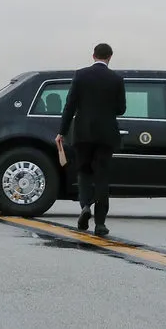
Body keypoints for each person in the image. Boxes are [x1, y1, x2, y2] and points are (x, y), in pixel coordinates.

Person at [55, 43, 126, 236]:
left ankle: (85, 206)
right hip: (106, 134)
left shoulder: (80, 75)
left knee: (84, 172)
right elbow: (121, 109)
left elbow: (70, 105)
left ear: (93, 55)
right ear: (110, 57)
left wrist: (61, 132)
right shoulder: (117, 79)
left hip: (83, 133)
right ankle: (101, 223)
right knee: (102, 177)